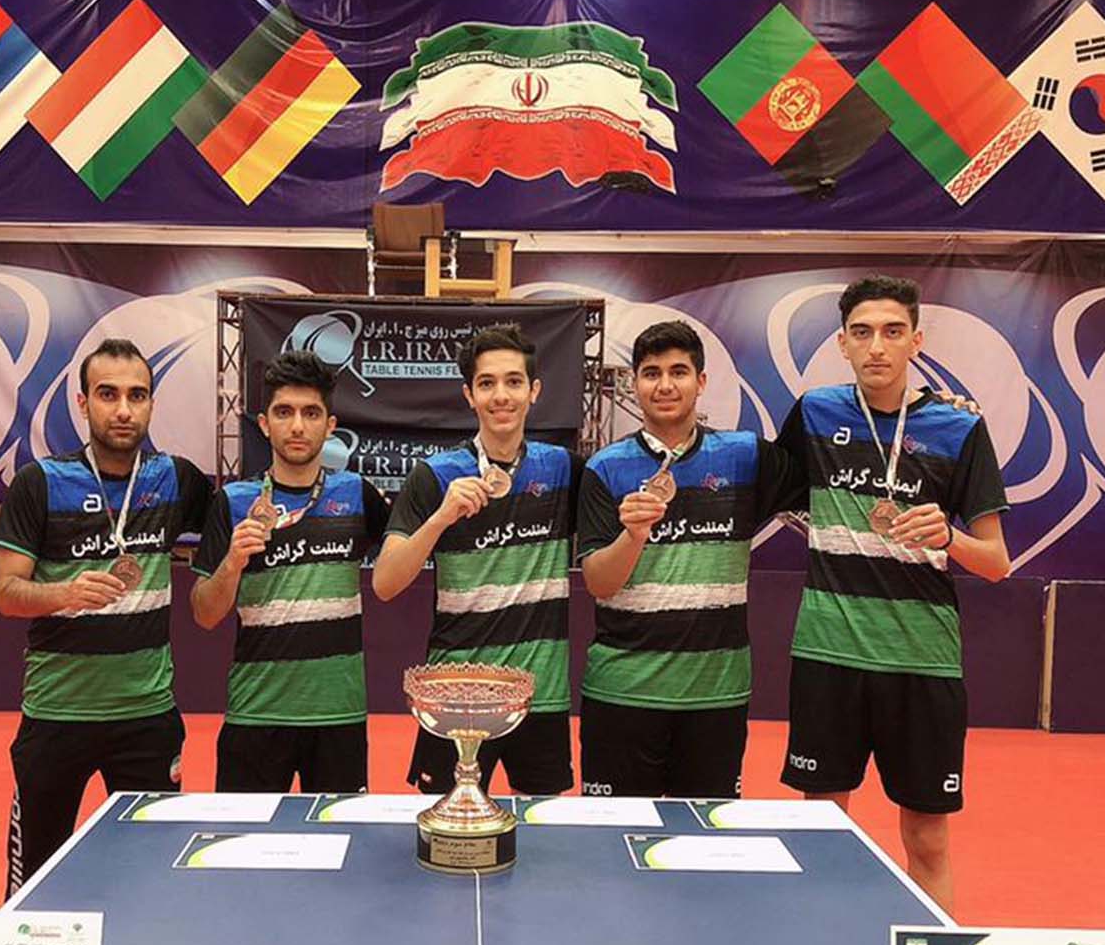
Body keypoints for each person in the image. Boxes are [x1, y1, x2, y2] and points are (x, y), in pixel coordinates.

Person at [776, 274, 1010, 912]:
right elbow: (763, 491)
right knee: (823, 833)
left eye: (892, 331)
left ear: (916, 341)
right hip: (829, 653)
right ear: (842, 344)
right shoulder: (815, 413)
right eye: (862, 333)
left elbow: (997, 563)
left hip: (922, 662)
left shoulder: (959, 428)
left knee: (927, 839)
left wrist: (949, 537)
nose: (876, 346)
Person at [0, 337, 210, 895]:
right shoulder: (40, 483)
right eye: (108, 395)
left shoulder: (176, 479)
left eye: (137, 395)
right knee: (34, 882)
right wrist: (63, 593)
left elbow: (233, 533)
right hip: (56, 716)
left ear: (152, 404)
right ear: (83, 402)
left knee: (154, 880)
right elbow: (6, 593)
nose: (123, 409)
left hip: (147, 717)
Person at [577, 319, 802, 798]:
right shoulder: (605, 468)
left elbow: (829, 468)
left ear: (701, 382)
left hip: (715, 695)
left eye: (678, 372)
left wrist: (924, 413)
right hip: (623, 691)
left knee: (704, 838)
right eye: (651, 373)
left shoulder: (745, 456)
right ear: (634, 383)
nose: (664, 385)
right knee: (612, 838)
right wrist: (634, 535)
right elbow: (598, 582)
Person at [374, 322, 580, 796]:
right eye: (487, 383)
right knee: (446, 825)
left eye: (513, 381)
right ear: (469, 395)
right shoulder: (434, 476)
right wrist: (440, 519)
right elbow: (385, 583)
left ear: (534, 391)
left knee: (546, 828)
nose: (500, 396)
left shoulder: (564, 469)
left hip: (540, 695)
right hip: (454, 696)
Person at [191, 350, 390, 792]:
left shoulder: (358, 494)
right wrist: (233, 562)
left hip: (338, 715)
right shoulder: (233, 501)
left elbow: (399, 565)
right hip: (255, 714)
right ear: (264, 424)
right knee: (244, 837)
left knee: (341, 835)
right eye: (284, 412)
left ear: (330, 425)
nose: (297, 426)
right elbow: (204, 614)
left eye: (310, 413)